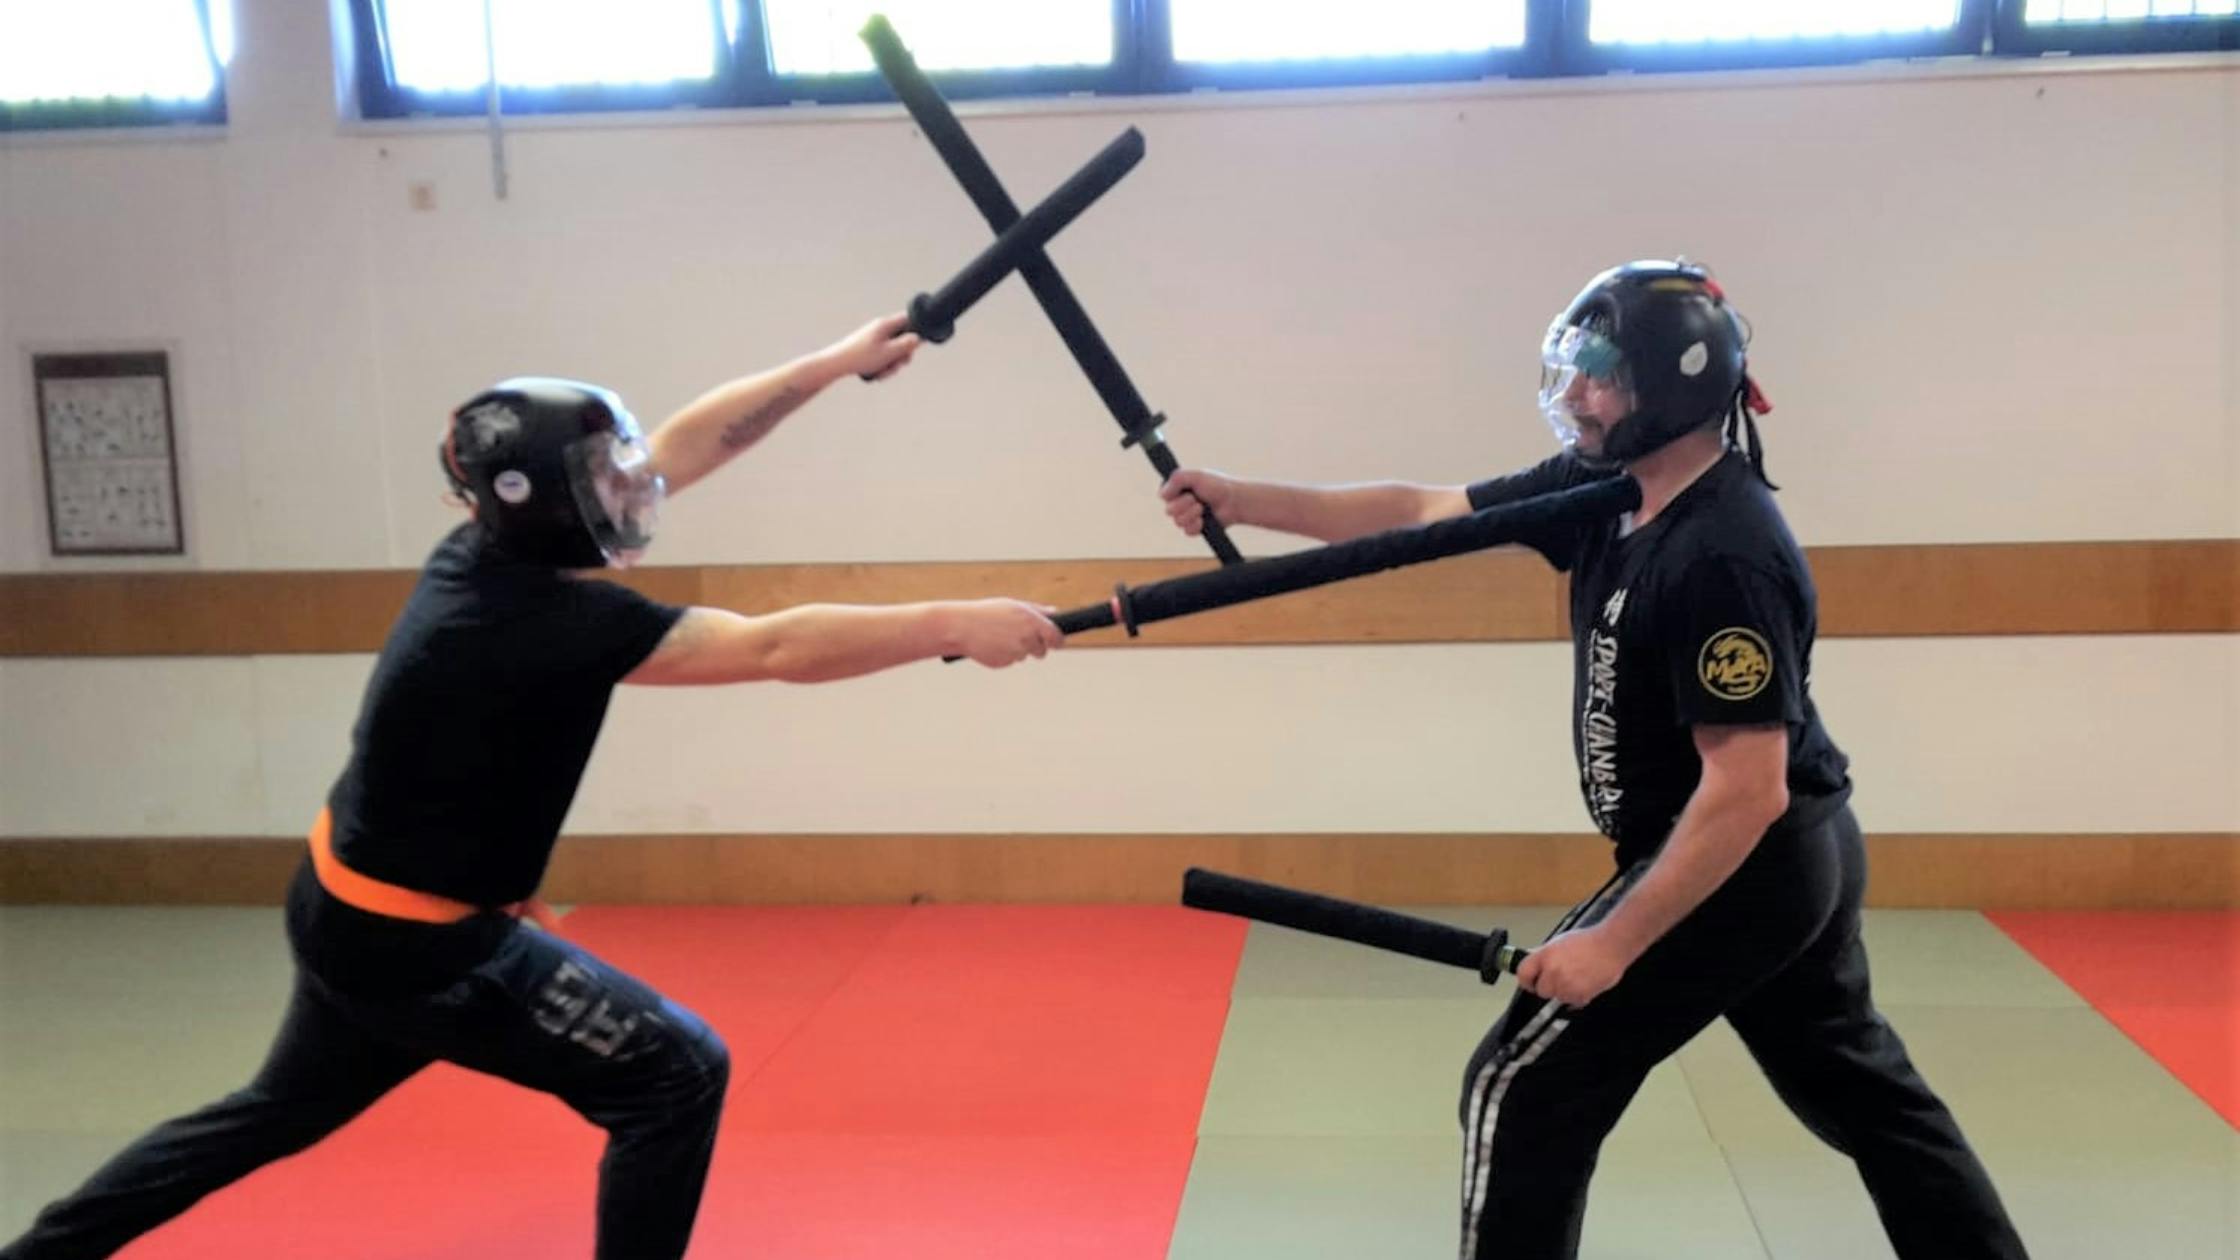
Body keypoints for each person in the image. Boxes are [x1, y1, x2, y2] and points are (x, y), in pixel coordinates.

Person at [2, 313, 1064, 1260]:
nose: (632, 487)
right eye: (603, 476)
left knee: (271, 1112)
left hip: (348, 903)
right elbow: (776, 648)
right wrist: (950, 622)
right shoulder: (549, 620)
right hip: (419, 949)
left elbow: (681, 447)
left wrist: (829, 366)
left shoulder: (485, 552)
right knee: (677, 1074)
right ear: (547, 503)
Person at [1158, 262, 2027, 1259]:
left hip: (1743, 863)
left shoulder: (1723, 551)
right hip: (1791, 850)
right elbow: (1424, 510)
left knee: (1524, 1088)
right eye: (1571, 370)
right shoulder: (1604, 491)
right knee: (1865, 1097)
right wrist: (1243, 499)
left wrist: (1613, 942)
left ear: (1672, 388)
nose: (1574, 395)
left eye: (1601, 376)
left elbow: (1744, 789)